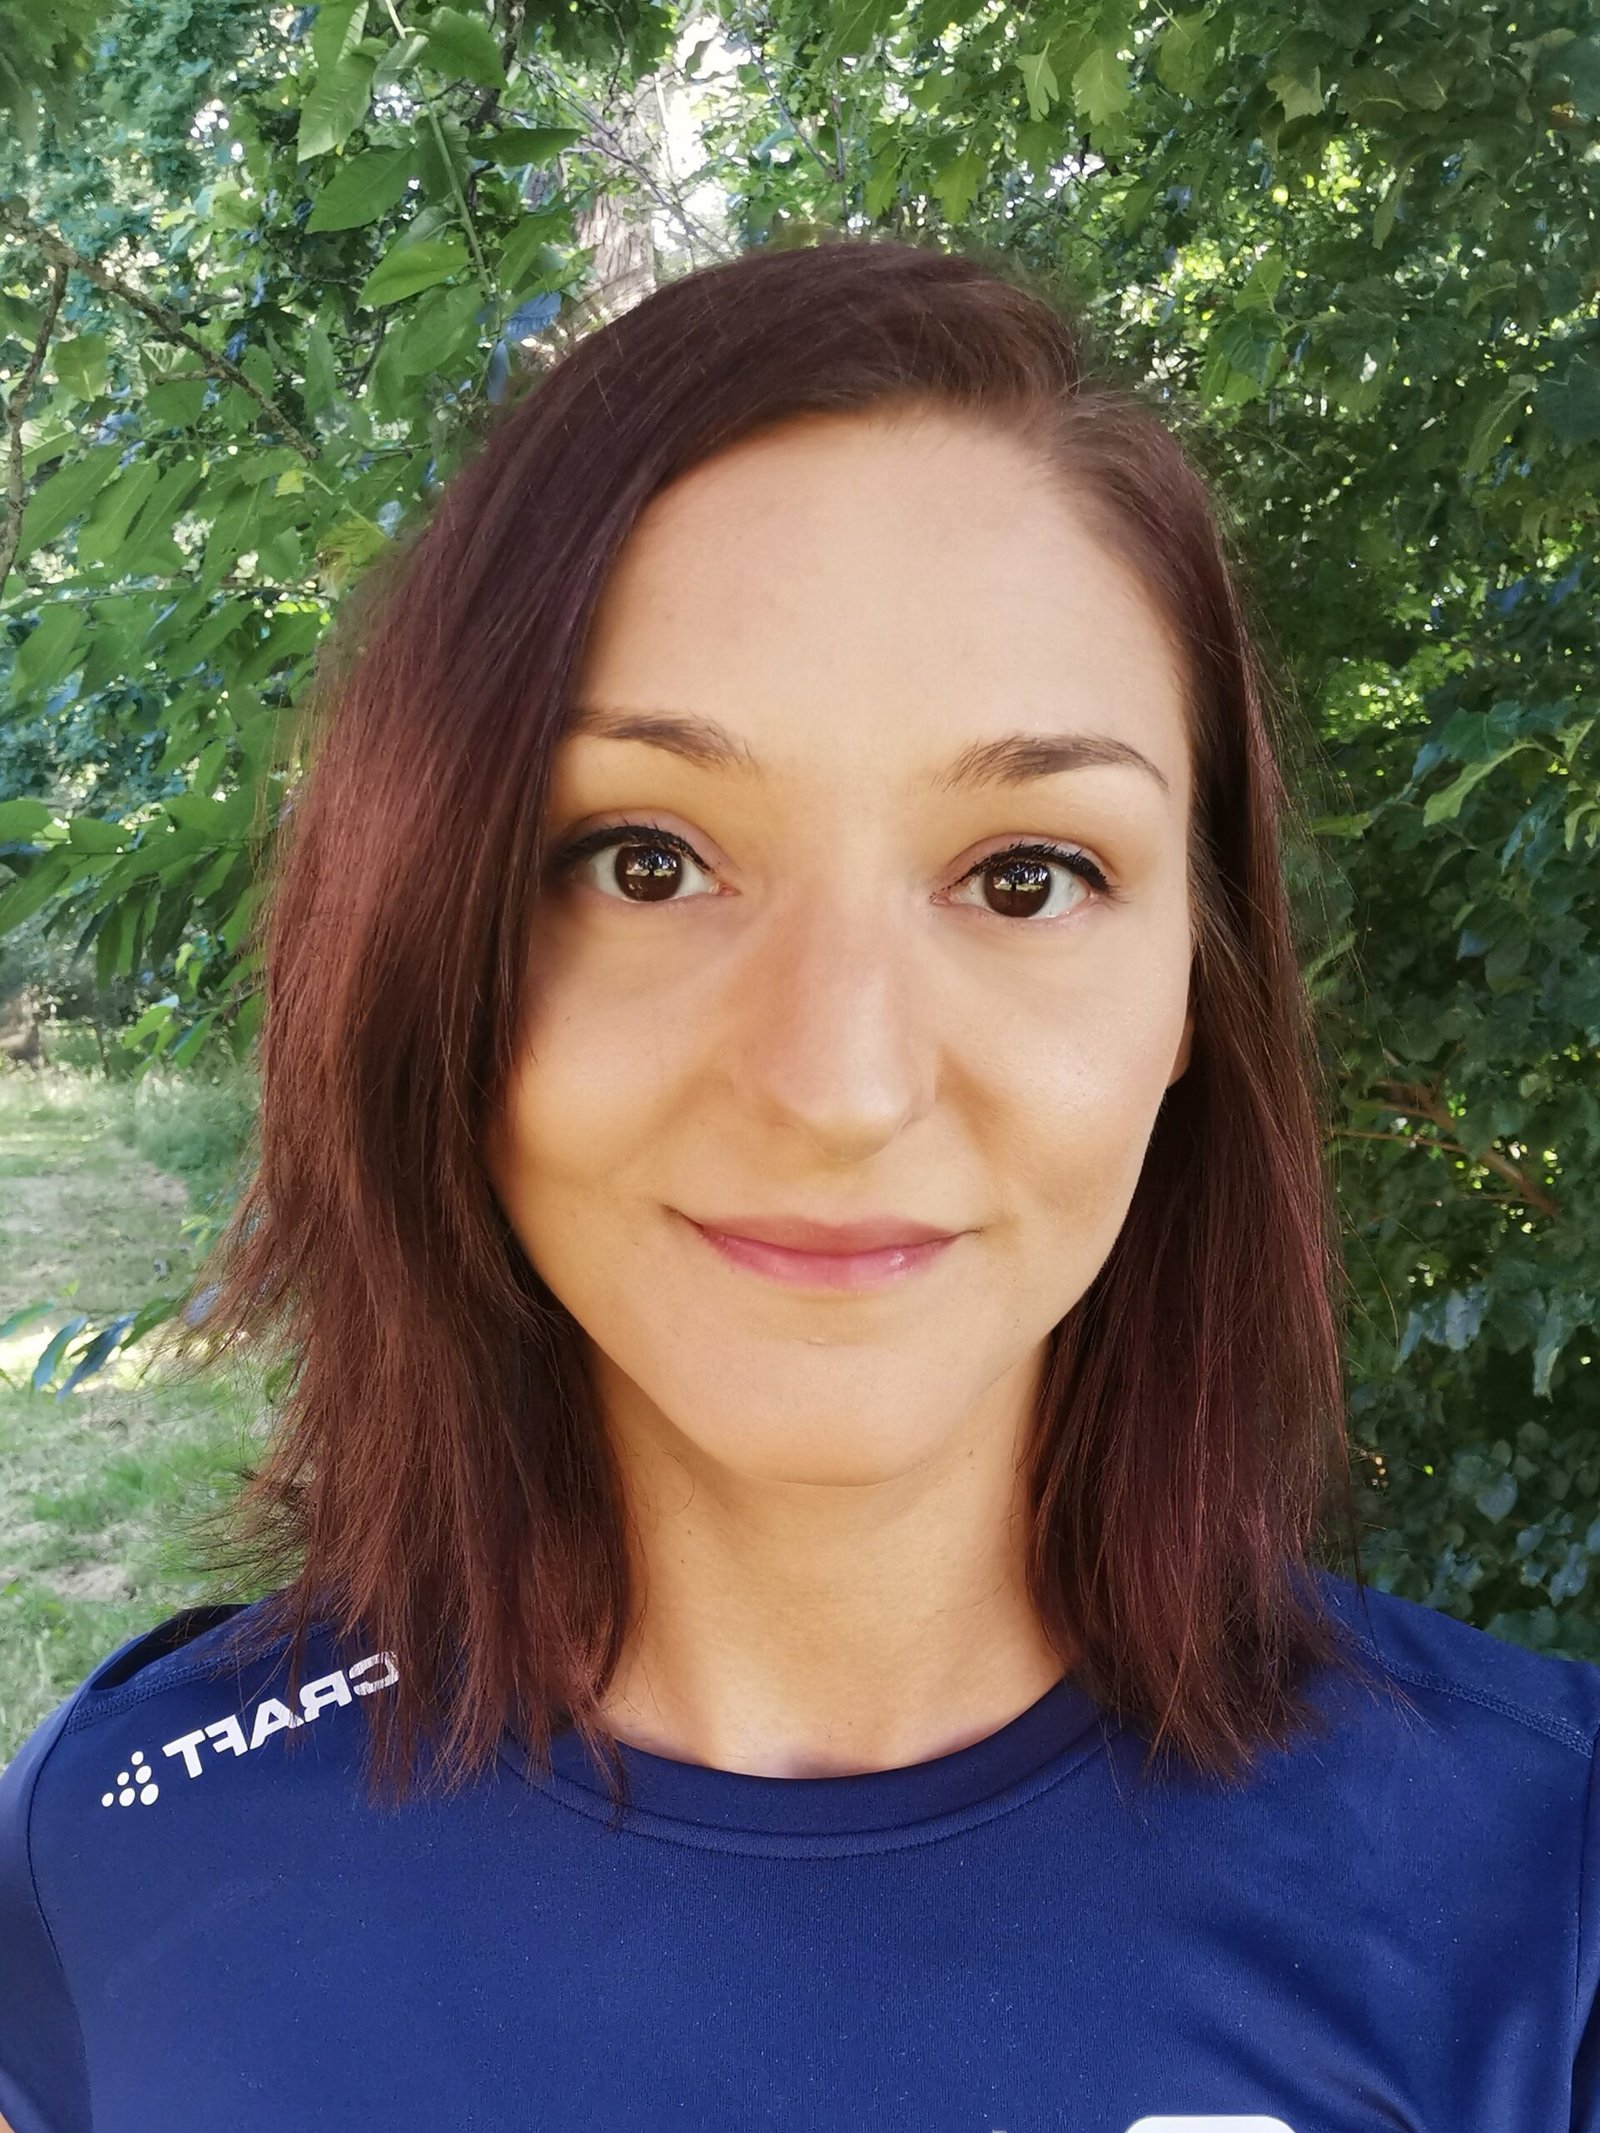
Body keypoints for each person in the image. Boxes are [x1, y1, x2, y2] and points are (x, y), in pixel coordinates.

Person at [0, 234, 1596, 2133]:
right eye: (646, 861)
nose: (840, 1085)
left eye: (1026, 876)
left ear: (1197, 985)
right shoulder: (119, 1853)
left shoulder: (1541, 1888)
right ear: (430, 941)